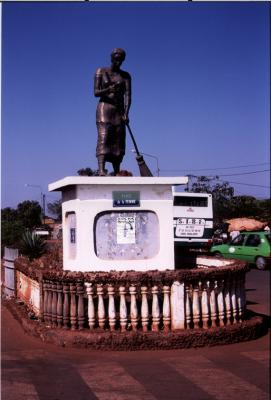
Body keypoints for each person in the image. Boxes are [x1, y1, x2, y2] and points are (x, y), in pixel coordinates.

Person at [94, 48, 131, 176]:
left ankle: (117, 169)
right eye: (116, 59)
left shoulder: (126, 76)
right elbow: (96, 92)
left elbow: (128, 96)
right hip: (105, 108)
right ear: (111, 58)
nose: (118, 62)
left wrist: (126, 113)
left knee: (119, 138)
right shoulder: (101, 71)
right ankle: (101, 168)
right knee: (104, 136)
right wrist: (109, 89)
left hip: (119, 111)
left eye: (120, 60)